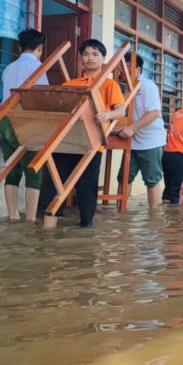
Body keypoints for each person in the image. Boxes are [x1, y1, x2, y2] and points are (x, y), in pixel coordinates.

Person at [39, 40, 126, 229]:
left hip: (92, 144)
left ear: (103, 58)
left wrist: (106, 115)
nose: (90, 58)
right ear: (81, 59)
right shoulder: (70, 84)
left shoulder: (109, 84)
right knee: (53, 185)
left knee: (87, 189)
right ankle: (47, 231)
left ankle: (87, 229)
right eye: (86, 54)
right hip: (66, 141)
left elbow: (121, 110)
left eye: (95, 54)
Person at [0, 28, 48, 221]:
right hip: (27, 120)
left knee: (12, 169)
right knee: (34, 170)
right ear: (40, 48)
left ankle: (13, 216)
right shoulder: (38, 68)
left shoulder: (8, 68)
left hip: (4, 121)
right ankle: (31, 219)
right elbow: (41, 97)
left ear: (19, 46)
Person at [117, 52, 166, 209]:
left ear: (137, 70)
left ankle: (154, 215)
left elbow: (154, 113)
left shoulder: (147, 85)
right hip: (132, 141)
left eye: (126, 68)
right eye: (121, 68)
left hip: (150, 141)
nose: (122, 72)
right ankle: (121, 212)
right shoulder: (127, 89)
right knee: (124, 177)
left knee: (152, 179)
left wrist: (131, 128)